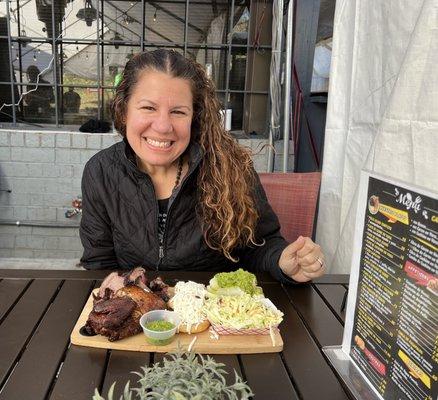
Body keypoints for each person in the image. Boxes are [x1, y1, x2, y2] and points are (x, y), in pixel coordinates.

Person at [79, 49, 326, 284]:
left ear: (194, 118)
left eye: (178, 112)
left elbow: (260, 246)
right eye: (148, 107)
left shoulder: (231, 167)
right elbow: (100, 264)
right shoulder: (101, 172)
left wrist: (284, 261)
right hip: (138, 315)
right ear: (123, 111)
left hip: (216, 315)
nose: (163, 126)